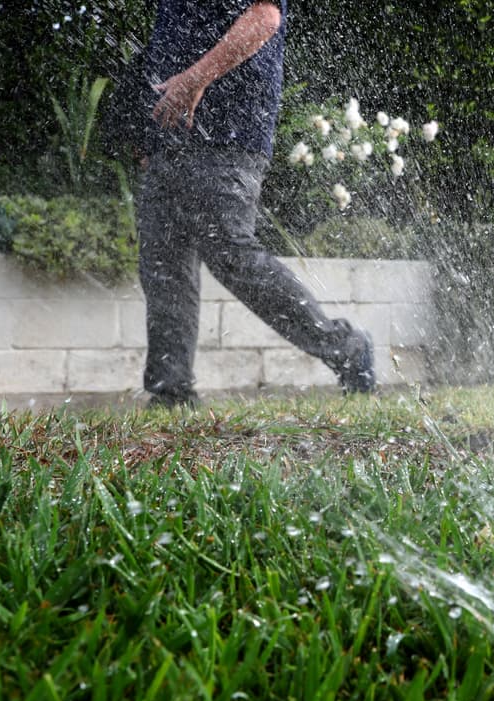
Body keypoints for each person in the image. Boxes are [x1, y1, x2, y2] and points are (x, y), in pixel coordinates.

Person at [139, 0, 374, 408]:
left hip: (229, 133)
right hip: (169, 136)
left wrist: (194, 80)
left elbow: (264, 18)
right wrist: (148, 133)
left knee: (231, 251)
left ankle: (346, 348)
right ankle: (170, 395)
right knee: (163, 264)